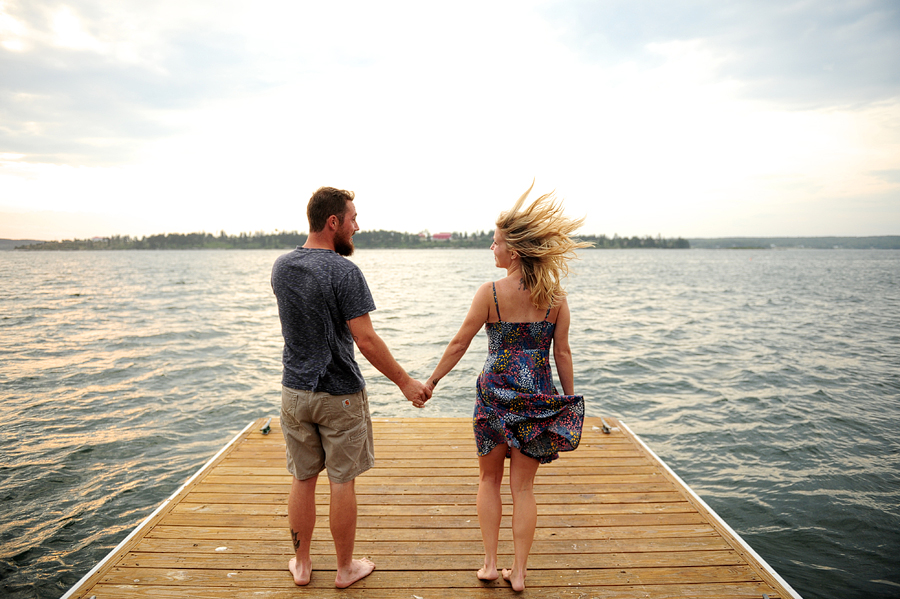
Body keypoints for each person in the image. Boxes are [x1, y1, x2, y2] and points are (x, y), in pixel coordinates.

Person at [425, 183, 590, 592]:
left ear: (513, 251)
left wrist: (431, 382)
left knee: (488, 481)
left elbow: (459, 343)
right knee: (524, 488)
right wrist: (565, 401)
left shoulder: (490, 294)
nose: (492, 249)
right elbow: (563, 355)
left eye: (495, 242)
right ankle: (518, 572)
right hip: (537, 399)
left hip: (494, 398)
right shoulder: (555, 299)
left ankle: (489, 563)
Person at [271, 186, 431, 589]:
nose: (357, 226)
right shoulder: (345, 272)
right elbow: (367, 340)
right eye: (353, 218)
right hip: (338, 394)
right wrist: (406, 383)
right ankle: (344, 570)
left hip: (294, 392)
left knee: (302, 479)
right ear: (333, 222)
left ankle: (302, 564)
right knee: (342, 482)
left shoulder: (282, 267)